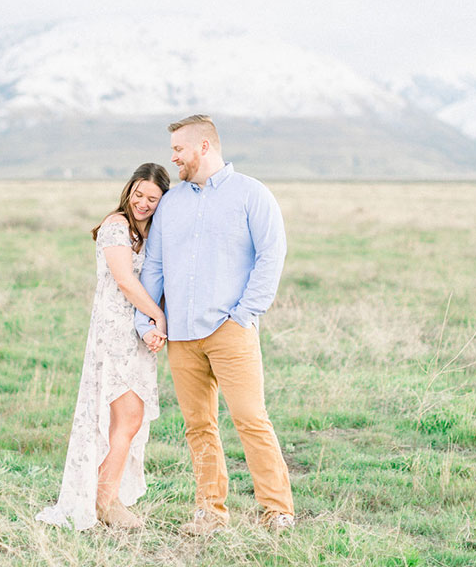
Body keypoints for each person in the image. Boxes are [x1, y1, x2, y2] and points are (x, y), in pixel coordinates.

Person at [137, 115, 295, 534]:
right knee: (198, 427)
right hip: (181, 336)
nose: (173, 158)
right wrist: (147, 319)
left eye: (179, 150)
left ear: (204, 147)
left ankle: (277, 511)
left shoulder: (251, 194)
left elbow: (271, 256)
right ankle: (210, 513)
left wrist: (244, 314)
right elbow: (153, 266)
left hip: (230, 329)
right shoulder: (172, 202)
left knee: (250, 419)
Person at [36, 163, 170, 531]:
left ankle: (105, 495)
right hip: (116, 332)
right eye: (138, 194)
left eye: (152, 198)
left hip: (138, 333)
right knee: (125, 417)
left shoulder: (153, 232)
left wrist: (151, 326)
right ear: (129, 190)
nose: (142, 203)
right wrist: (158, 318)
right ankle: (102, 500)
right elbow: (126, 282)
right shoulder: (116, 227)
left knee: (128, 419)